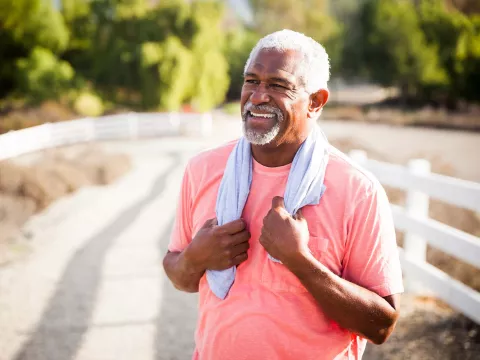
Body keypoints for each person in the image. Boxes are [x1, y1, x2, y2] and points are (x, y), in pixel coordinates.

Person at [163, 29, 404, 360]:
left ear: (316, 102)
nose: (258, 96)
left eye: (277, 85)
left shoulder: (357, 189)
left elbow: (381, 326)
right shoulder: (202, 170)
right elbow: (180, 275)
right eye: (251, 81)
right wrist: (194, 258)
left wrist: (300, 261)